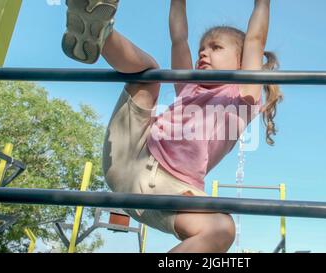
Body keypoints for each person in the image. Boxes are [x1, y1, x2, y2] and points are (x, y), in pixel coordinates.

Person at [62, 0, 282, 253]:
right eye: (202, 48)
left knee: (221, 229)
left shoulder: (243, 96)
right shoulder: (188, 84)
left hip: (171, 189)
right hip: (131, 157)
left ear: (242, 62)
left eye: (216, 47)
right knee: (150, 74)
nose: (203, 53)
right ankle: (100, 30)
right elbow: (179, 38)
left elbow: (255, 39)